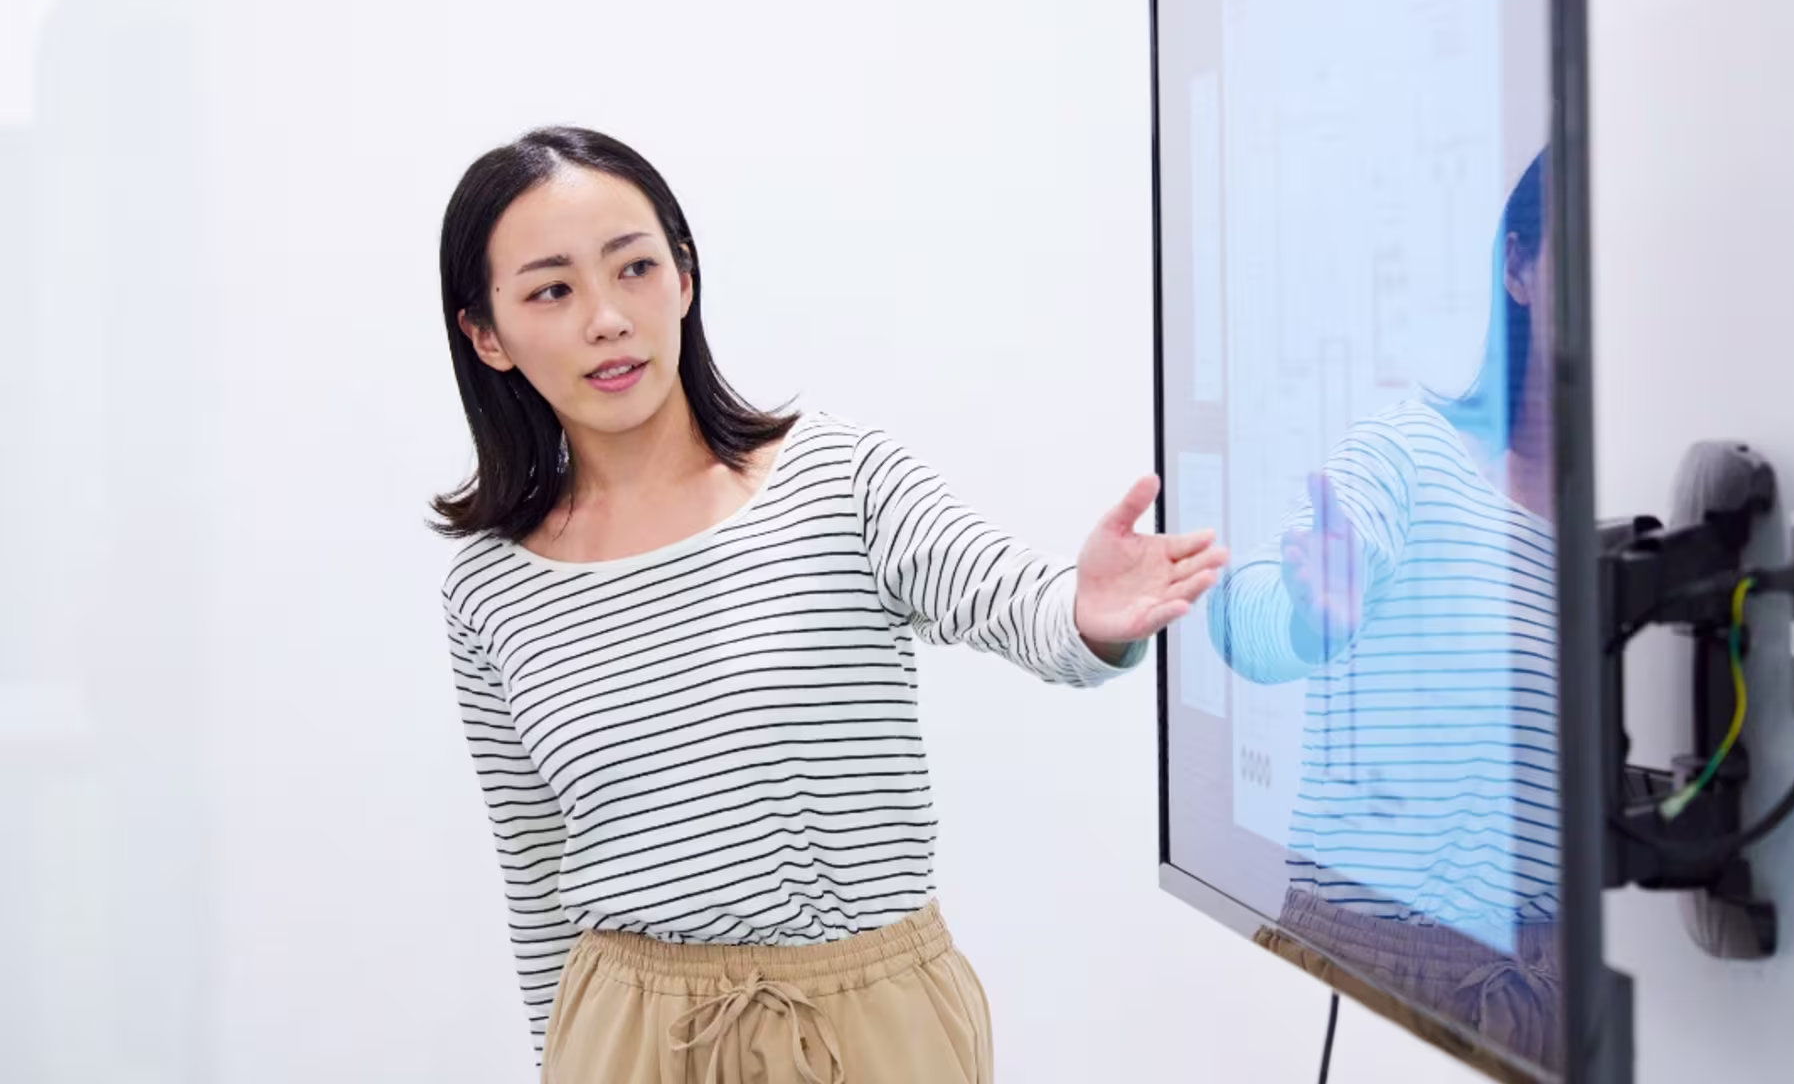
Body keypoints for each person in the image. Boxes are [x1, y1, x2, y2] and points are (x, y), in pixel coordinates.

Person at [432, 126, 1227, 1084]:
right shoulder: (491, 586)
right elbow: (535, 867)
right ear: (488, 335)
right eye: (552, 290)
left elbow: (1000, 590)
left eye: (634, 267)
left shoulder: (836, 477)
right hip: (625, 1039)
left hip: (869, 1024)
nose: (608, 317)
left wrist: (1086, 614)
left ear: (684, 278)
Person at [1207, 152, 1562, 1069]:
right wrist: (1308, 622)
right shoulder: (1413, 453)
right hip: (1374, 966)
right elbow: (1238, 615)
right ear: (1517, 266)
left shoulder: (1630, 517)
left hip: (1550, 992)